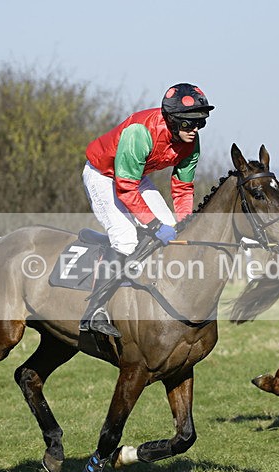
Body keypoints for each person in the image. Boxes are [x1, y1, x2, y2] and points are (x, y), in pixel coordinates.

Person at [80, 82, 214, 337]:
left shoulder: (190, 143)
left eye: (200, 123)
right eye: (189, 123)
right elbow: (125, 189)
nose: (195, 129)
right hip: (102, 175)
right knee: (125, 237)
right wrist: (153, 224)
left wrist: (185, 222)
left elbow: (183, 188)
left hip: (135, 177)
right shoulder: (139, 133)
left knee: (171, 228)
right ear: (172, 120)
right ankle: (94, 311)